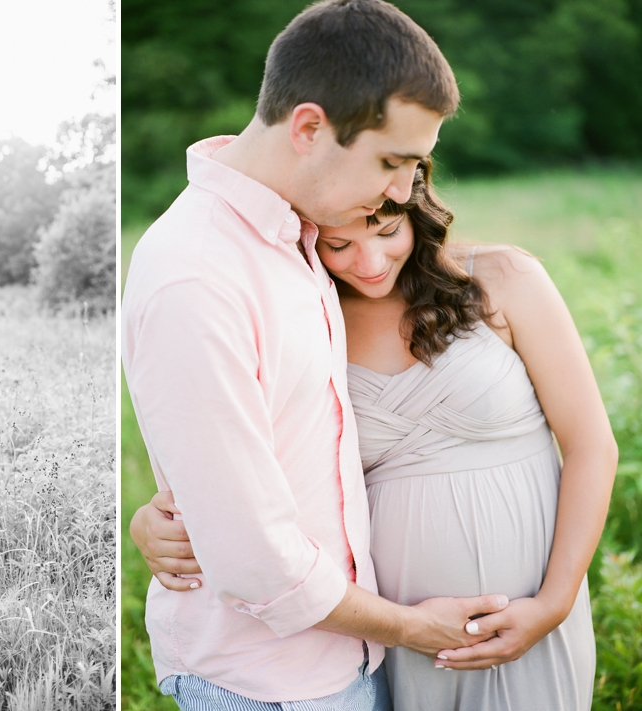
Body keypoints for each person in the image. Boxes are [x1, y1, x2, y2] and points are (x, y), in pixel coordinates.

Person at [121, 1, 518, 708]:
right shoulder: (198, 273)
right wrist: (412, 628)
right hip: (264, 684)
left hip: (344, 665)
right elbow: (256, 562)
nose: (402, 191)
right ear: (308, 127)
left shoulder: (299, 238)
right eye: (392, 162)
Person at [132, 158, 617, 709]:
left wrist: (554, 602)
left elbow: (591, 446)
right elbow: (257, 455)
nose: (369, 262)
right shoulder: (315, 319)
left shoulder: (504, 278)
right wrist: (158, 518)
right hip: (399, 629)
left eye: (388, 231)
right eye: (339, 246)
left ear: (418, 211)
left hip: (533, 607)